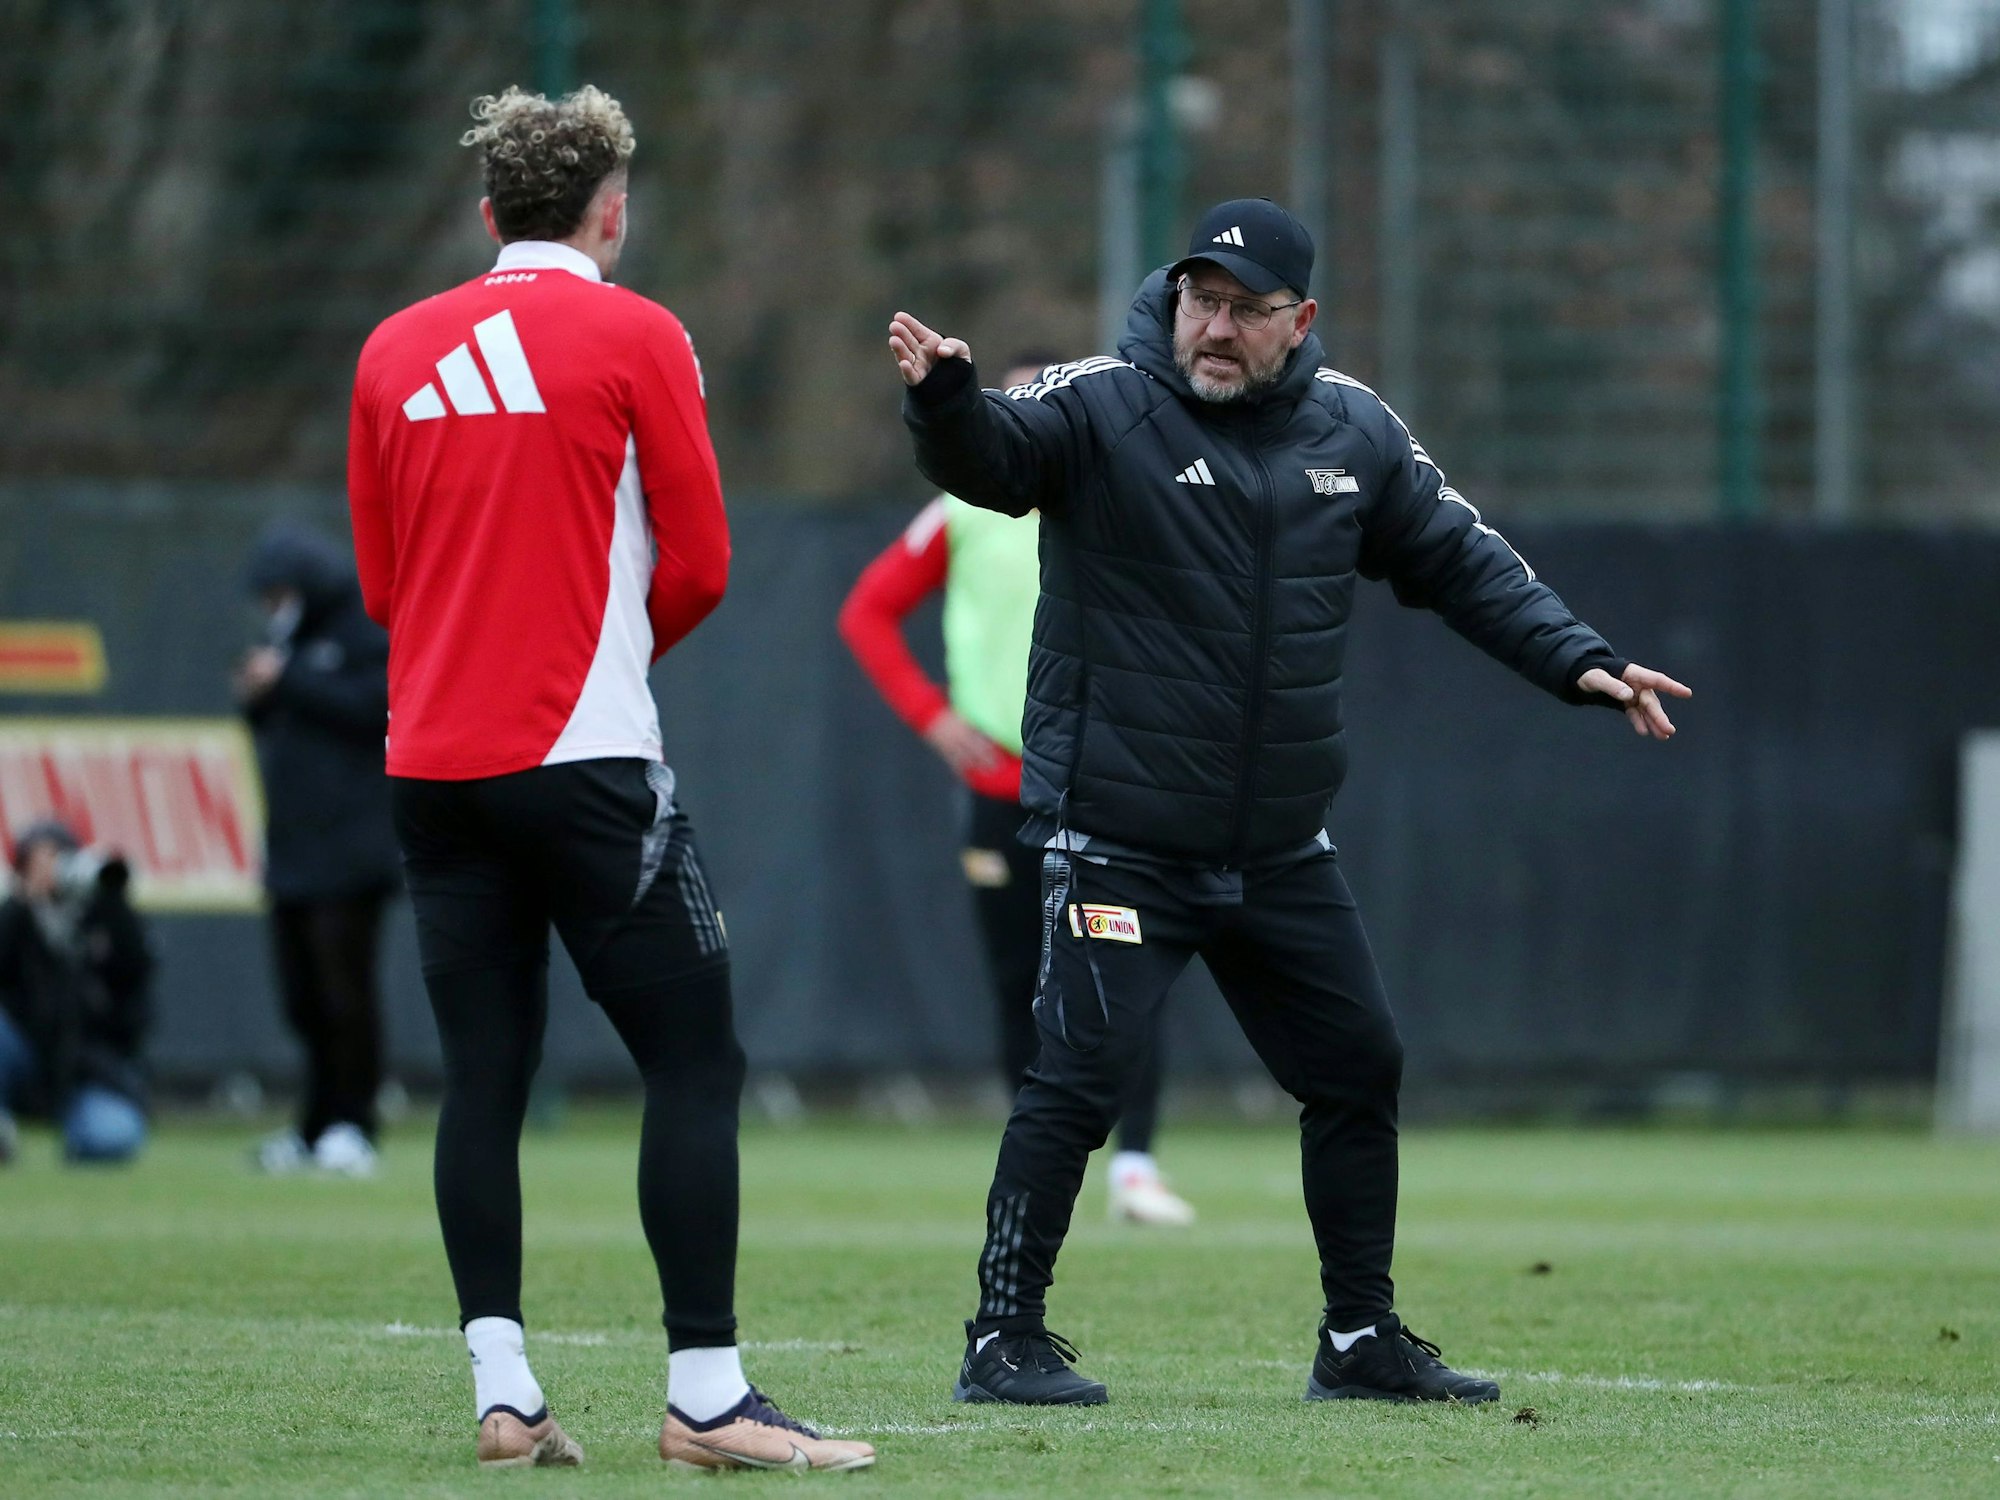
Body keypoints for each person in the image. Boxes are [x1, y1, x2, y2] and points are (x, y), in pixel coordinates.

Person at [889, 196, 1691, 1408]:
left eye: (1242, 309)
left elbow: (1462, 557)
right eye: (1196, 301)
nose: (1211, 327)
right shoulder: (1099, 401)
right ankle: (1001, 1336)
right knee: (1077, 1077)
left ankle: (1358, 1339)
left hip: (1272, 846)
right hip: (1113, 835)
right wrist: (946, 402)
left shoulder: (1353, 431)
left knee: (1358, 1066)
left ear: (1296, 319)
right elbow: (990, 462)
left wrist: (1571, 655)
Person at [347, 85, 873, 1472]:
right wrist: (613, 655)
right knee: (695, 1063)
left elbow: (386, 583)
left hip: (431, 765)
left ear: (485, 213)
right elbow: (700, 559)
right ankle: (706, 1396)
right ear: (611, 210)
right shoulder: (638, 333)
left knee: (483, 1077)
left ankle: (503, 1388)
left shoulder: (392, 349)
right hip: (582, 760)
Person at [837, 362, 1195, 1227]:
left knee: (1125, 964)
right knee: (1016, 980)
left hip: (1103, 786)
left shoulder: (1116, 494)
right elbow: (867, 611)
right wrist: (933, 718)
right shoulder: (960, 507)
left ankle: (1135, 1165)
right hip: (1000, 788)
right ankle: (1033, 1164)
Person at [237, 520, 400, 1178]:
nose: (274, 607)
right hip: (293, 852)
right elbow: (272, 718)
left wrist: (288, 681)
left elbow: (379, 707)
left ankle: (355, 1126)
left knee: (345, 996)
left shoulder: (365, 629)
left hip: (352, 853)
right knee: (301, 999)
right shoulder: (292, 641)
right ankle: (312, 1127)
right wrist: (257, 694)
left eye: (280, 593)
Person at [0, 821, 154, 1166]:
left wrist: (113, 905)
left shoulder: (105, 918)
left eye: (61, 859)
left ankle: (80, 1131)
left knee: (111, 1138)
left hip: (88, 1067)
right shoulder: (16, 918)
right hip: (25, 1053)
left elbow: (137, 978)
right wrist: (22, 904)